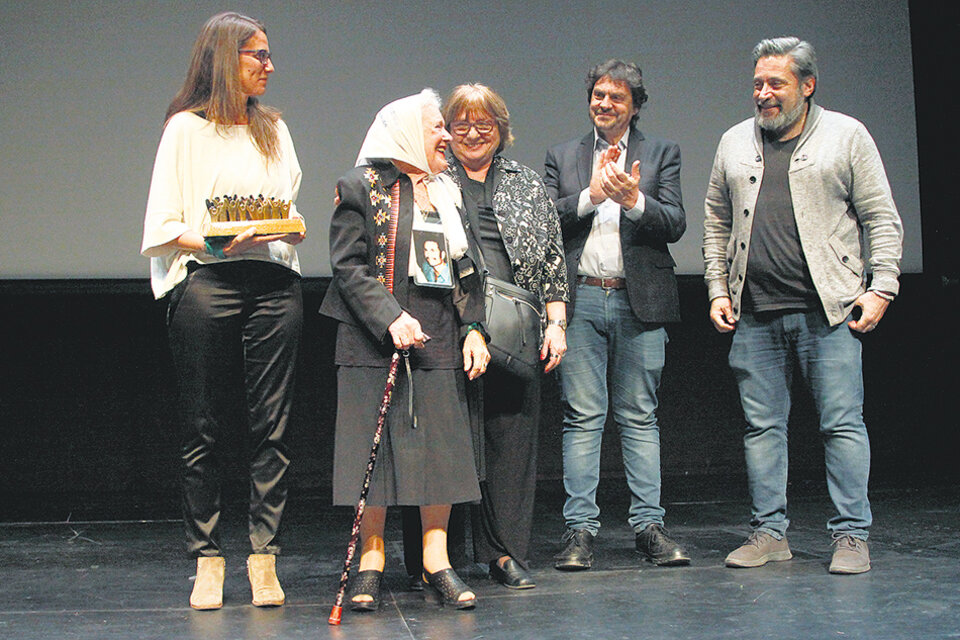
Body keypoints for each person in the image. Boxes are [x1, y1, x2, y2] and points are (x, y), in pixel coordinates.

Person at [703, 37, 903, 575]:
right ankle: (770, 532)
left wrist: (881, 287)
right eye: (758, 84)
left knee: (841, 424)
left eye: (776, 84)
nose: (764, 94)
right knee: (762, 428)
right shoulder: (733, 141)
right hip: (756, 312)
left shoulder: (847, 135)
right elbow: (716, 221)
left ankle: (851, 536)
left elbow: (881, 217)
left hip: (829, 309)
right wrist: (719, 289)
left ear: (807, 86)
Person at [140, 11, 305, 610]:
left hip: (273, 281)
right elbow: (163, 227)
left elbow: (284, 209)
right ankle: (207, 559)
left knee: (274, 424)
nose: (268, 64)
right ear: (223, 60)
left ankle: (265, 556)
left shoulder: (274, 129)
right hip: (207, 279)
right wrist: (215, 242)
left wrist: (291, 228)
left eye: (268, 53)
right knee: (202, 425)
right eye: (257, 54)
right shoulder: (185, 129)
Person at [319, 89, 490, 611]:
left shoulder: (448, 191)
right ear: (406, 133)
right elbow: (349, 267)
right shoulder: (360, 187)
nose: (447, 135)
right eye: (437, 127)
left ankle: (436, 560)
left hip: (436, 334)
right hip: (371, 339)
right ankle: (371, 561)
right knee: (371, 457)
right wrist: (391, 316)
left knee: (439, 451)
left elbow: (470, 269)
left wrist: (474, 328)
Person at [544, 59, 688, 570]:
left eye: (616, 97)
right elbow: (546, 219)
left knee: (639, 416)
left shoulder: (661, 153)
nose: (604, 103)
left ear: (635, 105)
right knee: (582, 417)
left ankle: (649, 526)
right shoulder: (564, 155)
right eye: (598, 94)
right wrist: (592, 195)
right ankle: (580, 533)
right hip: (580, 299)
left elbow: (675, 223)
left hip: (638, 299)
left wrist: (635, 201)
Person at [441, 83, 569, 589]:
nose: (473, 134)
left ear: (501, 130)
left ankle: (504, 553)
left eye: (484, 125)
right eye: (461, 125)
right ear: (446, 132)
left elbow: (553, 262)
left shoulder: (526, 182)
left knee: (511, 442)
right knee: (447, 443)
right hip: (447, 324)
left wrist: (556, 323)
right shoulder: (430, 179)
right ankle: (439, 558)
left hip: (516, 332)